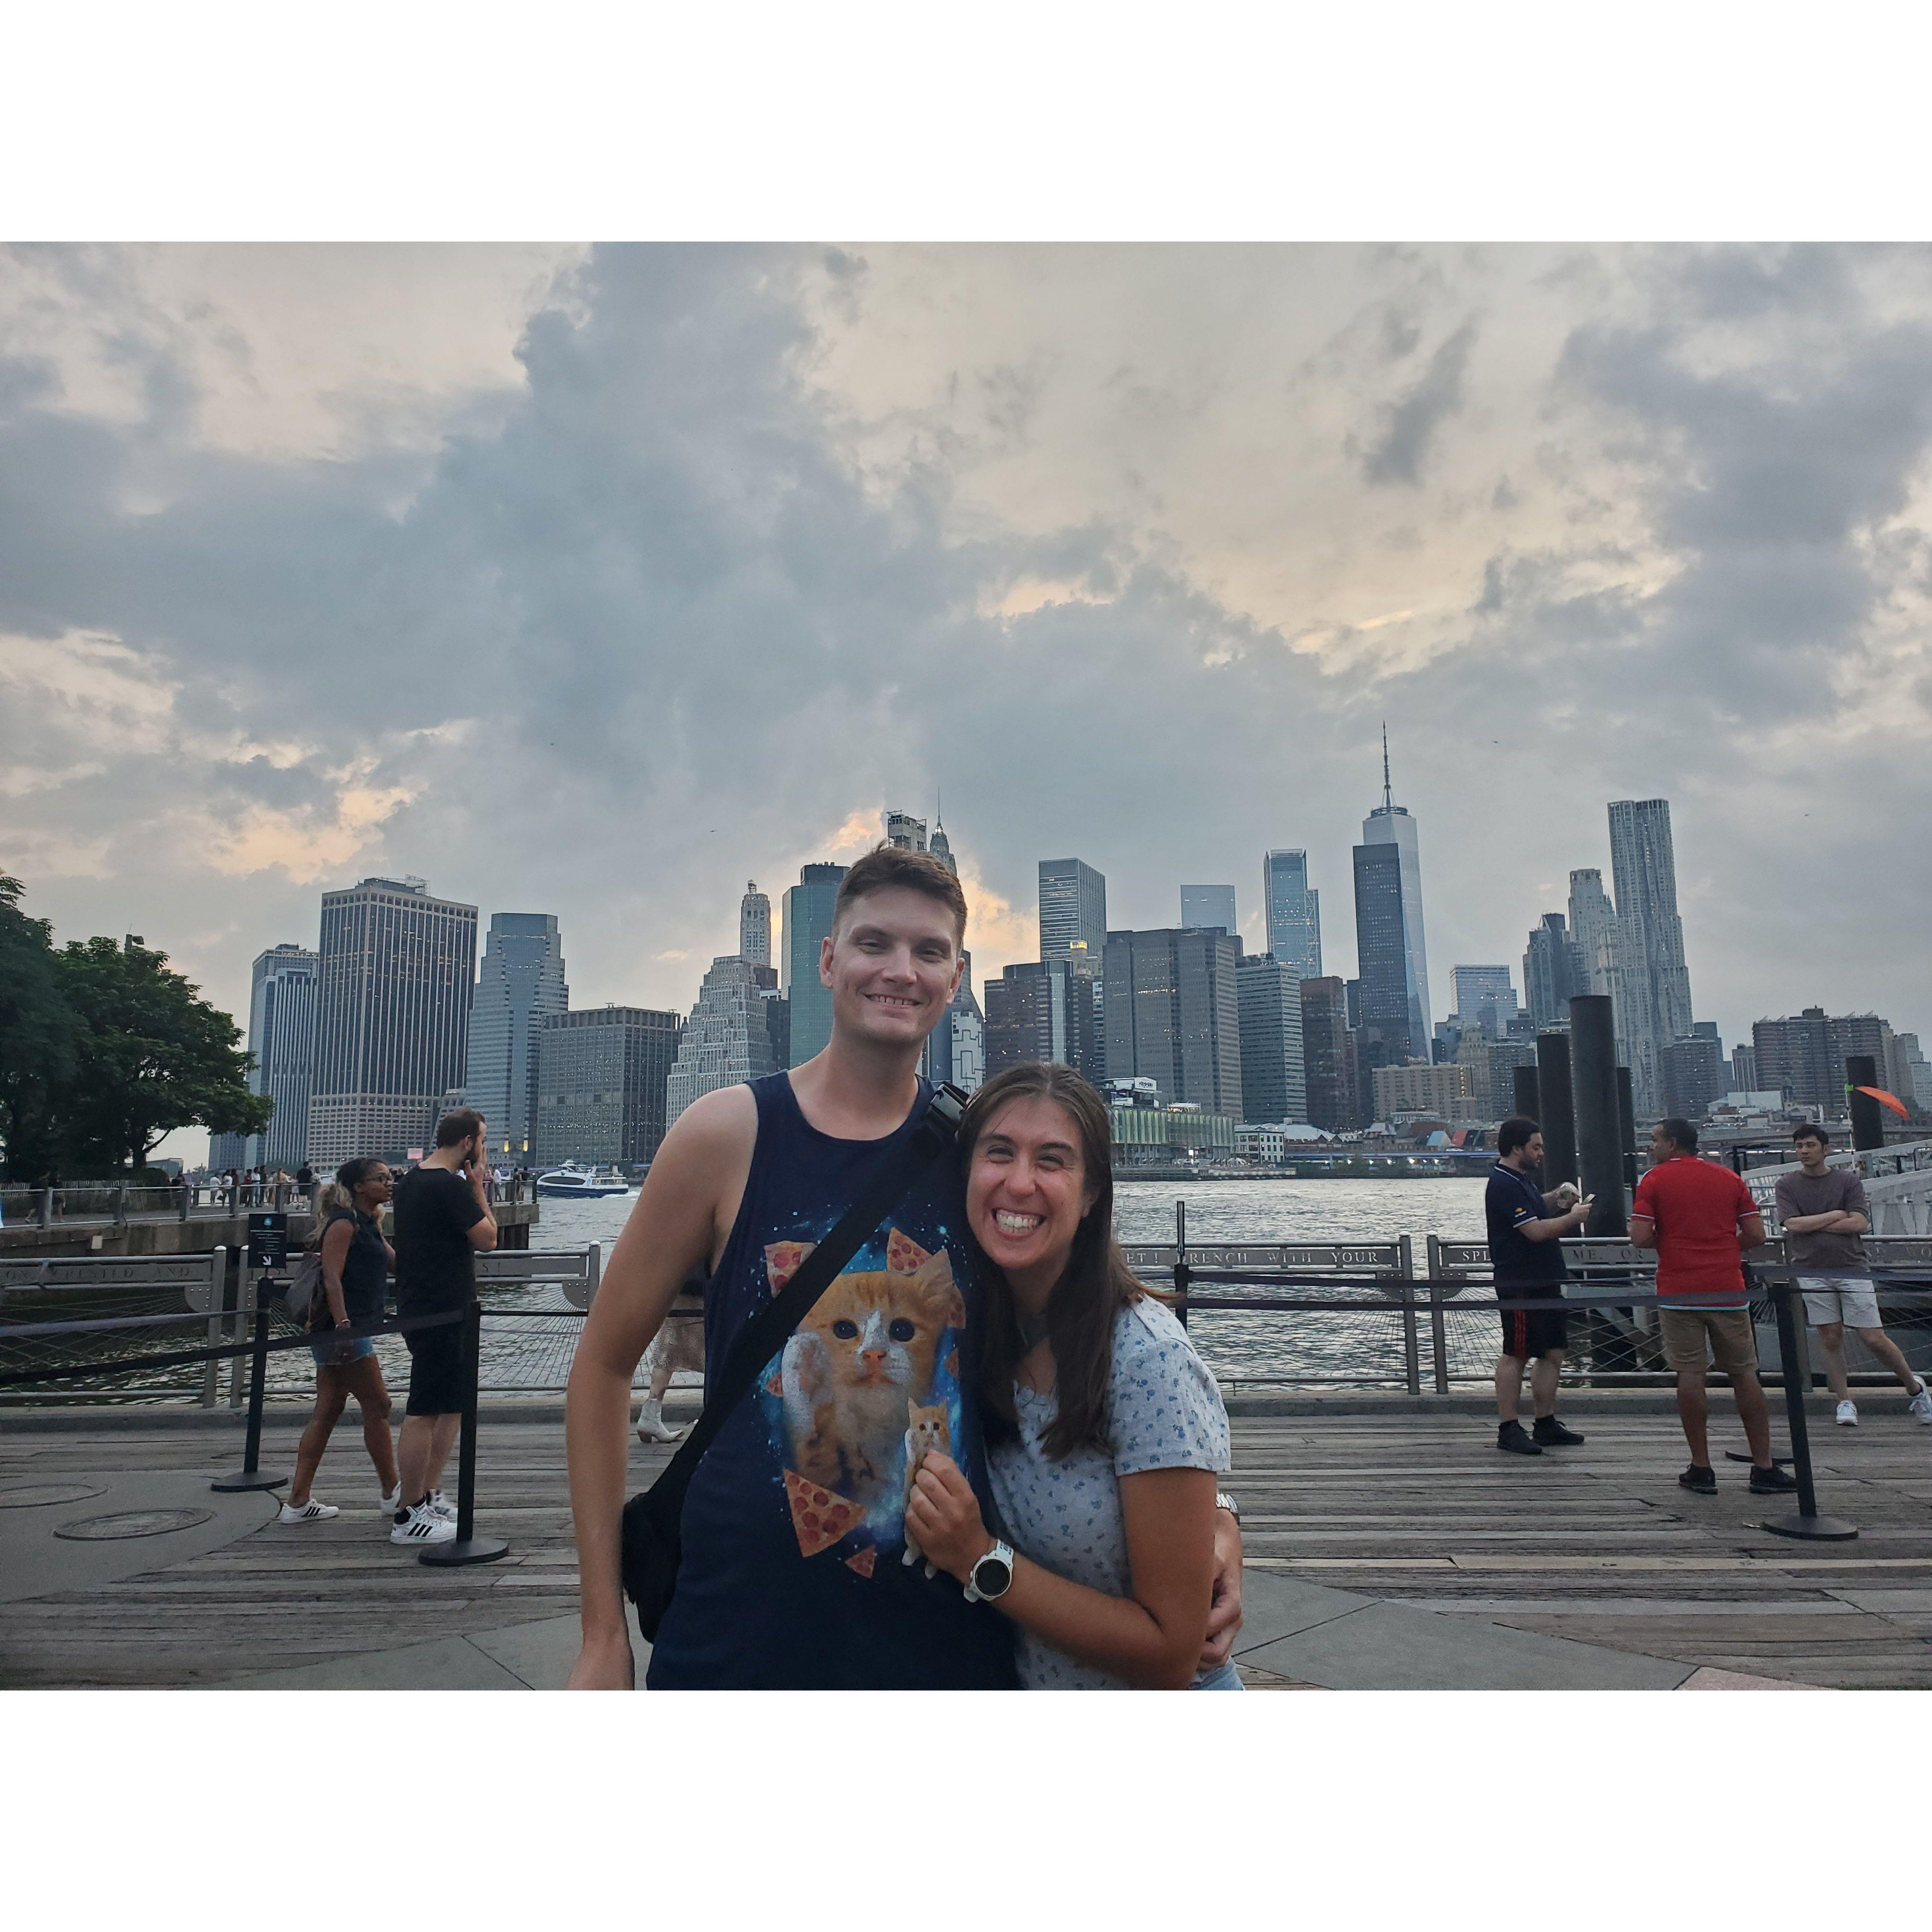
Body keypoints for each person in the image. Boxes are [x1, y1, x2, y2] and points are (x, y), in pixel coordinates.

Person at [564, 843, 1244, 1689]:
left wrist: (1214, 1517)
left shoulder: (979, 1159)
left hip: (946, 1641)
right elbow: (602, 1364)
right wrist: (601, 1632)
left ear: (955, 978)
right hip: (737, 1630)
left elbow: (1085, 1350)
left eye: (928, 951)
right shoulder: (725, 1135)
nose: (899, 970)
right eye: (873, 943)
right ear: (827, 959)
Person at [902, 1063, 1241, 1688]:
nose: (1020, 1182)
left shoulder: (1147, 1357)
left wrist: (978, 1558)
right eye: (999, 1152)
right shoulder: (964, 1327)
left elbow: (1173, 1654)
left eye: (1052, 1161)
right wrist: (1219, 1515)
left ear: (1090, 1196)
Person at [1630, 1118, 1798, 1495]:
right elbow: (1756, 1234)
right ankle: (1764, 1466)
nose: (1652, 1147)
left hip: (1678, 1291)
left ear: (1673, 1144)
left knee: (1690, 1374)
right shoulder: (1729, 1179)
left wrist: (1672, 1242)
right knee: (1745, 1373)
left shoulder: (1653, 1181)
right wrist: (1721, 1246)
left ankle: (1702, 1468)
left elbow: (1639, 1237)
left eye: (1655, 1141)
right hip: (1727, 1289)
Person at [388, 1108, 497, 1546]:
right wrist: (479, 1188)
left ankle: (426, 1495)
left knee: (451, 1404)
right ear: (468, 1143)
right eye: (483, 1141)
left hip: (421, 1304)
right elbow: (489, 1239)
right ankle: (408, 1514)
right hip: (444, 1310)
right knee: (425, 1410)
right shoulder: (449, 1186)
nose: (484, 1149)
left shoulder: (410, 1183)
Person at [1775, 1125, 1932, 1427]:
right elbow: (1792, 1225)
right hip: (1810, 1269)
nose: (1804, 1151)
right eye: (1799, 1146)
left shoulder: (1847, 1181)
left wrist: (1812, 1223)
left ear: (1826, 1149)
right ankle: (1844, 1401)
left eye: (1810, 1145)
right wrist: (1836, 1215)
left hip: (1852, 1268)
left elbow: (1859, 1224)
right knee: (1830, 1336)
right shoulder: (1787, 1185)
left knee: (1873, 1337)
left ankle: (1915, 1388)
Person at [278, 1158, 402, 1525]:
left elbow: (398, 1265)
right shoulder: (344, 1223)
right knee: (378, 1405)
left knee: (328, 1410)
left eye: (390, 1177)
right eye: (381, 1179)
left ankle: (298, 1501)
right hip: (343, 1329)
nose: (389, 1183)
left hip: (350, 1328)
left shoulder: (370, 1224)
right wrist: (344, 1325)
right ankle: (393, 1493)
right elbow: (332, 1279)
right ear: (359, 1187)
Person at [1485, 1116, 1591, 1455]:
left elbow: (1533, 1211)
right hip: (1521, 1282)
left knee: (1553, 1351)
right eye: (1536, 1147)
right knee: (1516, 1353)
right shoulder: (1503, 1184)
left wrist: (1557, 1199)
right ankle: (1508, 1427)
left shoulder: (1519, 1180)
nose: (1542, 1152)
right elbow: (1534, 1231)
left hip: (1544, 1279)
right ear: (1517, 1149)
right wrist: (1573, 1218)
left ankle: (1545, 1423)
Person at [635, 1275, 705, 1442]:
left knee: (669, 1348)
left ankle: (650, 1414)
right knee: (719, 1348)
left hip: (682, 1283)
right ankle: (720, 1419)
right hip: (707, 1285)